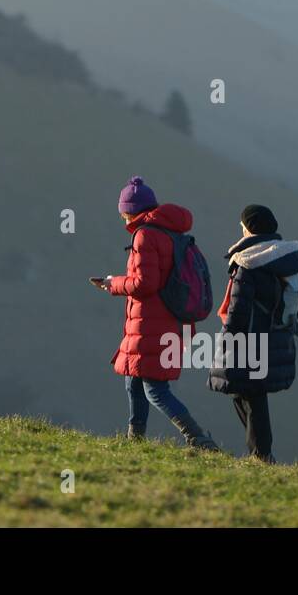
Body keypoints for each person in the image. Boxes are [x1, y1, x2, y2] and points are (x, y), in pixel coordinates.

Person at [92, 176, 218, 450]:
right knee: (134, 381)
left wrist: (113, 283)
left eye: (123, 213)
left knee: (154, 389)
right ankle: (134, 441)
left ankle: (197, 438)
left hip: (152, 323)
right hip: (170, 320)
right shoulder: (174, 234)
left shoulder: (145, 235)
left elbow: (144, 283)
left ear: (128, 211)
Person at [207, 204, 298, 462]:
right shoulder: (288, 260)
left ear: (250, 228)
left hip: (249, 339)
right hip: (276, 337)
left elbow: (239, 306)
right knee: (248, 392)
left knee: (249, 394)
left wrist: (229, 338)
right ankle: (260, 452)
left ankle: (261, 455)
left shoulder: (248, 262)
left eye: (243, 226)